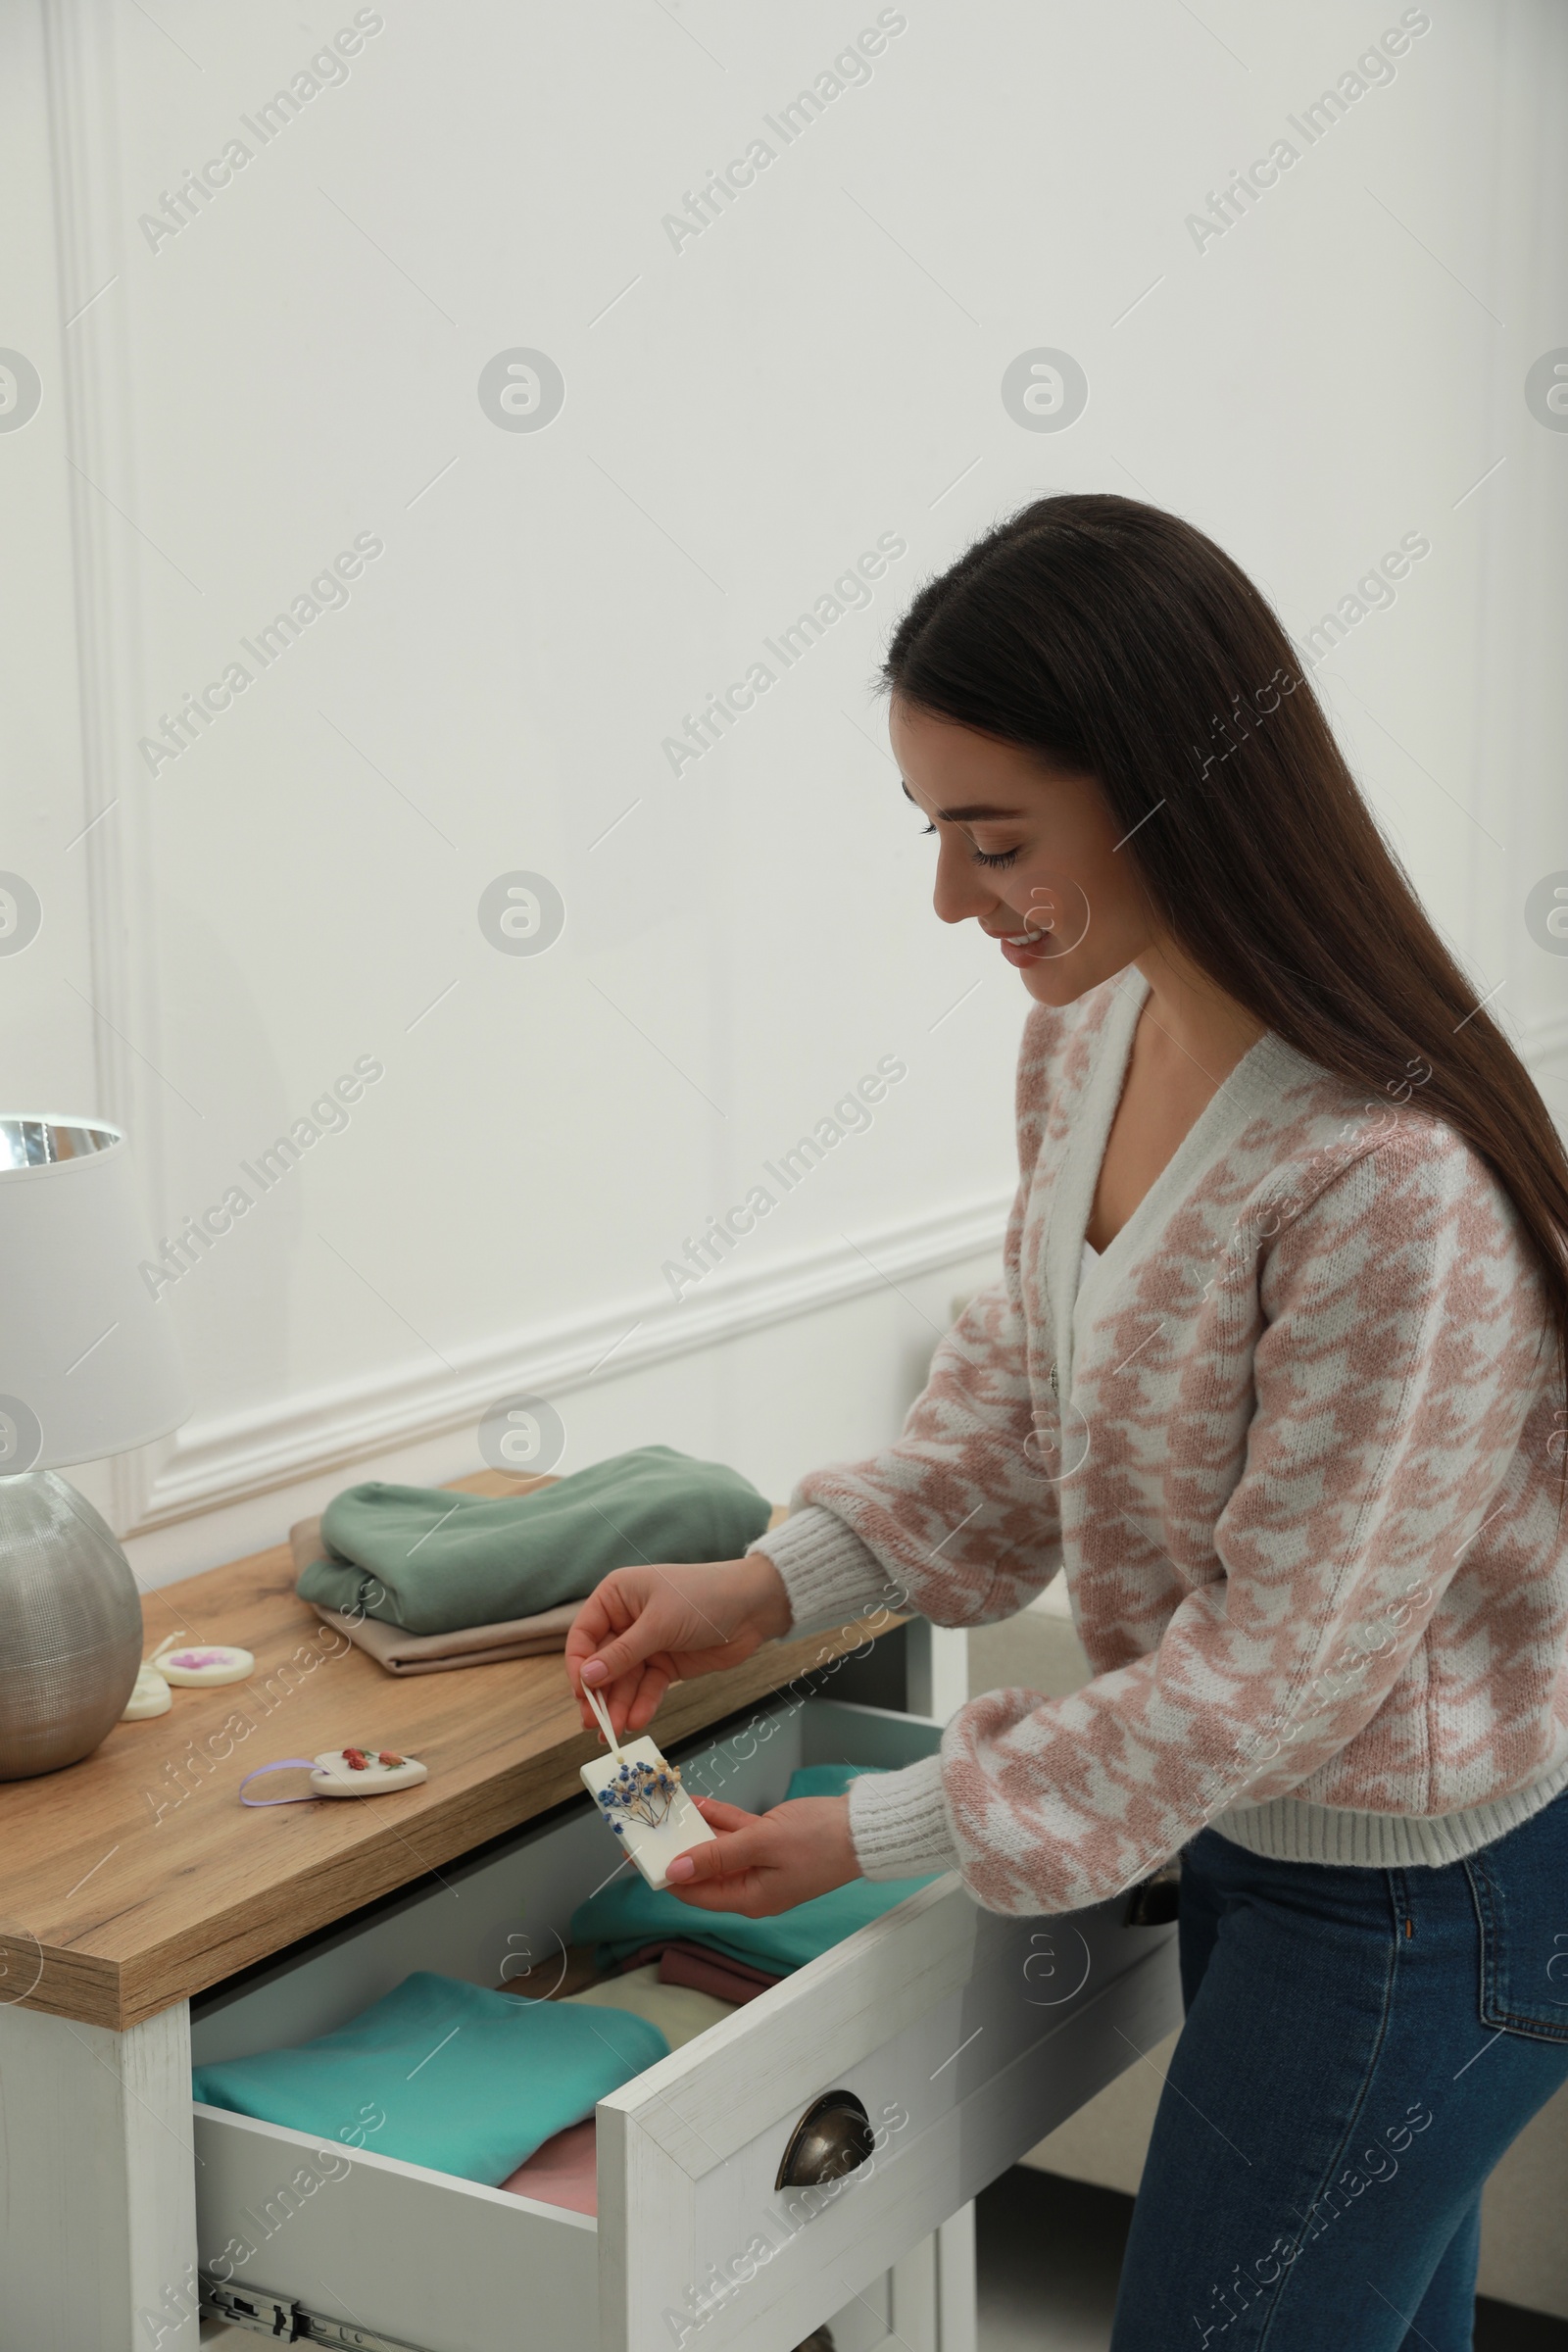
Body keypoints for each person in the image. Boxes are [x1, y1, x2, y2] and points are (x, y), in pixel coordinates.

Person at [564, 494, 1568, 2350]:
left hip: (1436, 1909)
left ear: (1176, 789)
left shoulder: (1386, 1177)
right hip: (1267, 1847)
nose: (953, 896)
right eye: (931, 829)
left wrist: (887, 1828)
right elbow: (1025, 1415)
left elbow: (1277, 1663)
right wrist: (768, 1587)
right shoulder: (1086, 1035)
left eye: (993, 835)